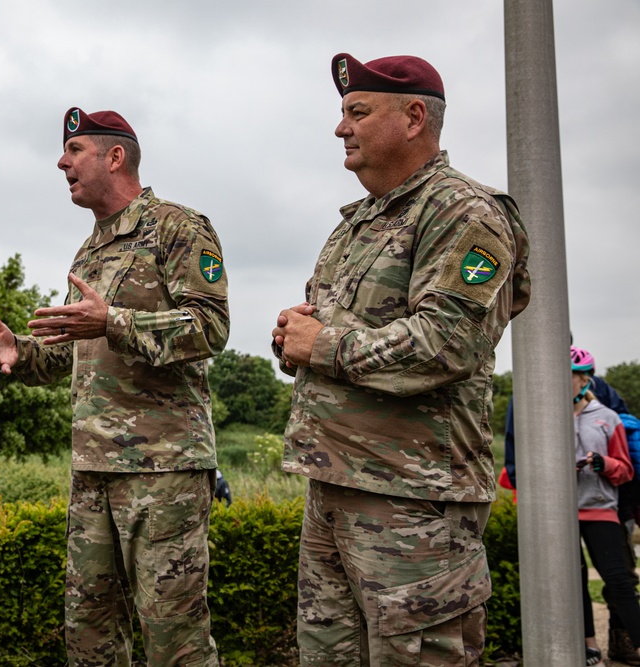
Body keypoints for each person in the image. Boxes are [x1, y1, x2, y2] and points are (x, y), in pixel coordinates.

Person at [271, 53, 531, 665]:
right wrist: (294, 338)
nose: (341, 128)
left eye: (357, 112)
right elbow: (328, 331)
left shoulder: (464, 211)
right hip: (333, 487)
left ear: (414, 117)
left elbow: (449, 341)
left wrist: (325, 344)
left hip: (414, 503)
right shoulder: (357, 223)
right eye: (342, 114)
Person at [0, 108, 229, 666]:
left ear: (115, 157)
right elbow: (74, 352)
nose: (61, 162)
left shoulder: (177, 226)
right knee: (88, 634)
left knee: (174, 639)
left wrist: (113, 320)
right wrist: (23, 352)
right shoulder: (90, 249)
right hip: (92, 469)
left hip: (162, 471)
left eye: (76, 151)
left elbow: (211, 328)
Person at [569, 346, 640, 666]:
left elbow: (625, 469)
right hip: (561, 513)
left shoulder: (608, 419)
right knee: (576, 585)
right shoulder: (546, 416)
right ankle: (590, 647)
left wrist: (603, 463)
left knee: (619, 581)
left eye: (568, 376)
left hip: (599, 508)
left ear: (584, 379)